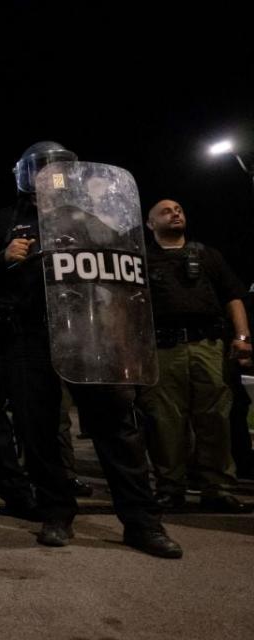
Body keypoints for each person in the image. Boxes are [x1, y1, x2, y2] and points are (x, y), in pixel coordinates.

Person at [0, 141, 182, 558]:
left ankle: (141, 521)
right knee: (37, 431)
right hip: (28, 336)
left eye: (57, 170)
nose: (49, 177)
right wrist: (2, 258)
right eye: (40, 169)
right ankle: (56, 512)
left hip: (89, 334)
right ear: (23, 174)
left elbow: (122, 280)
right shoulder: (5, 222)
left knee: (116, 428)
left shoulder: (92, 221)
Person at [137, 199, 251, 512]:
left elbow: (233, 297)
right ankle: (170, 487)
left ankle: (217, 488)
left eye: (179, 209)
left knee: (215, 418)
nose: (175, 213)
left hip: (208, 346)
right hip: (162, 349)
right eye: (165, 211)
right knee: (165, 421)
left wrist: (242, 337)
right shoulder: (142, 258)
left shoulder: (207, 255)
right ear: (150, 224)